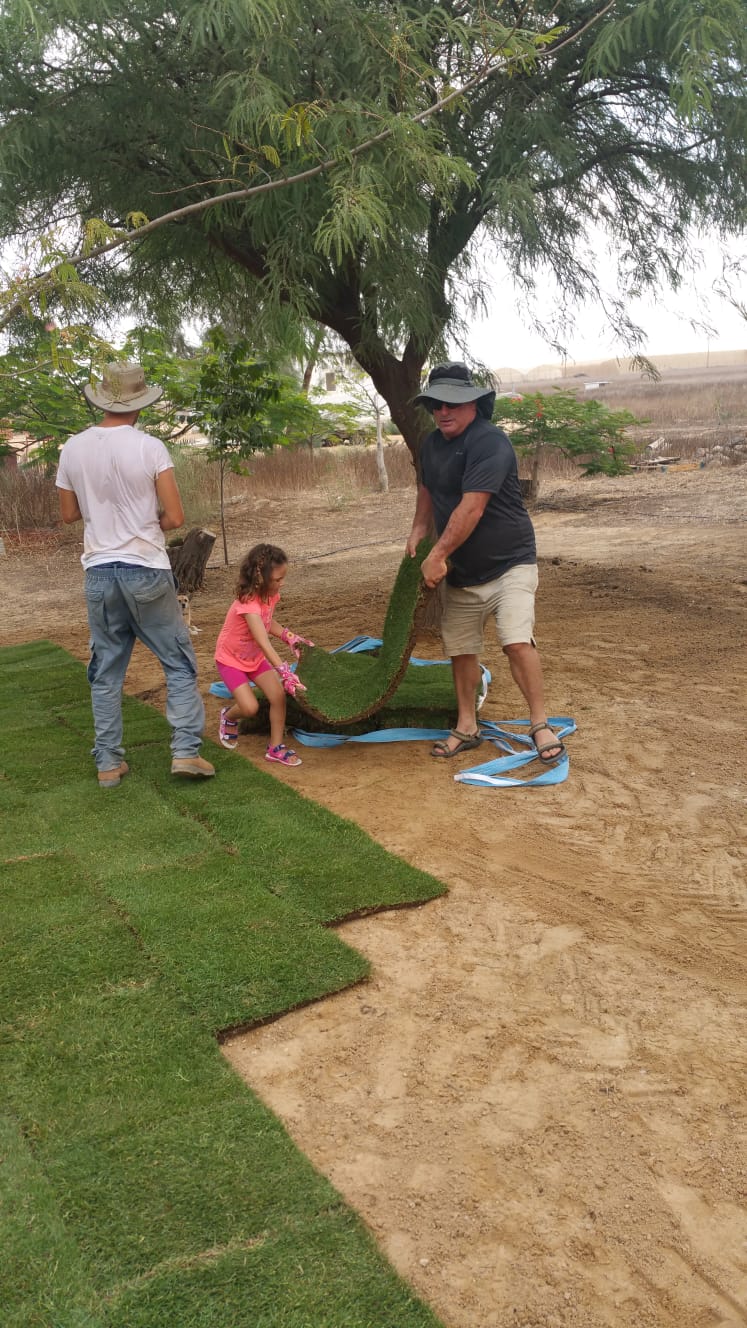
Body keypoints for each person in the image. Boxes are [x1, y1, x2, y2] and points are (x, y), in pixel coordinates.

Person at [56, 362, 215, 787]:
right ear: (140, 404)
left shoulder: (71, 448)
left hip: (99, 572)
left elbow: (69, 514)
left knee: (106, 672)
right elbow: (177, 516)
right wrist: (149, 525)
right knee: (178, 664)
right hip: (145, 568)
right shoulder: (150, 448)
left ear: (103, 400)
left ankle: (108, 763)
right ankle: (185, 752)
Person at [406, 362, 564, 762]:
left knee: (514, 641)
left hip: (510, 562)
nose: (443, 412)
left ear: (474, 404)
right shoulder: (430, 444)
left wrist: (438, 554)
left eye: (453, 404)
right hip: (464, 571)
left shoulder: (490, 443)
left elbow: (471, 508)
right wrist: (419, 529)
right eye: (436, 404)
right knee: (461, 649)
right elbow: (428, 489)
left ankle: (540, 724)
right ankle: (466, 726)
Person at [214, 543, 313, 768]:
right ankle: (229, 716)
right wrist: (285, 672)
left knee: (278, 696)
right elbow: (262, 640)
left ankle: (275, 747)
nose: (282, 583)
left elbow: (267, 623)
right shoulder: (248, 603)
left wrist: (290, 637)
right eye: (278, 579)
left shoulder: (270, 595)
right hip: (231, 660)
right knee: (249, 708)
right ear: (261, 578)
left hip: (254, 659)